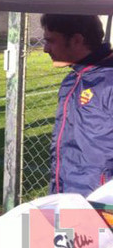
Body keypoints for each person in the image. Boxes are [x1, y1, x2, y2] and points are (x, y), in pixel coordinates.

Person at [42, 14, 113, 197]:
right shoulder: (71, 80)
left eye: (51, 41)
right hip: (65, 196)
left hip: (101, 206)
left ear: (77, 40)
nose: (45, 49)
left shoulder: (109, 81)